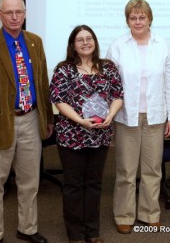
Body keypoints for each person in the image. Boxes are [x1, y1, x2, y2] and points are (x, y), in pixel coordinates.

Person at [0, 0, 54, 243]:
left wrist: (47, 118)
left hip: (31, 119)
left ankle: (28, 228)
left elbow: (42, 85)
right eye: (9, 12)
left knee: (30, 181)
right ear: (0, 15)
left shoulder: (35, 42)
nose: (15, 17)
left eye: (19, 12)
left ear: (25, 13)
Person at [106, 0, 170, 234]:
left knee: (152, 169)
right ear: (127, 20)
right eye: (133, 17)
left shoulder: (163, 45)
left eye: (142, 17)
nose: (138, 21)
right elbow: (110, 85)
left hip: (155, 116)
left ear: (150, 19)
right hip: (126, 117)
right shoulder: (118, 46)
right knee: (126, 171)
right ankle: (124, 214)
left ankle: (149, 213)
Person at [50, 25, 124, 243]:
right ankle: (74, 233)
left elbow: (118, 95)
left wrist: (111, 115)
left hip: (99, 136)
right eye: (80, 39)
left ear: (95, 42)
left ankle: (92, 231)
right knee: (73, 185)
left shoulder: (108, 67)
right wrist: (81, 121)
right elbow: (58, 100)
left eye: (89, 38)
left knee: (94, 184)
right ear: (73, 44)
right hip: (71, 135)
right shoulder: (64, 69)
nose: (85, 42)